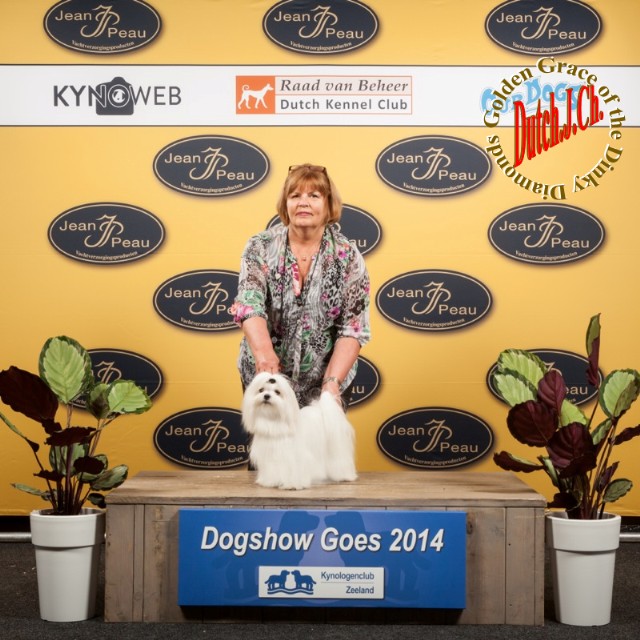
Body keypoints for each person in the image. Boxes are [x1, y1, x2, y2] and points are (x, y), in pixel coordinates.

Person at [231, 164, 371, 408]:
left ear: (328, 205)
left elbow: (353, 328)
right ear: (285, 204)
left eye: (314, 195)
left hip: (325, 378)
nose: (303, 203)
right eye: (295, 195)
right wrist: (264, 356)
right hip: (266, 377)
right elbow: (249, 304)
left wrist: (331, 383)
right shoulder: (259, 246)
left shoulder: (348, 255)